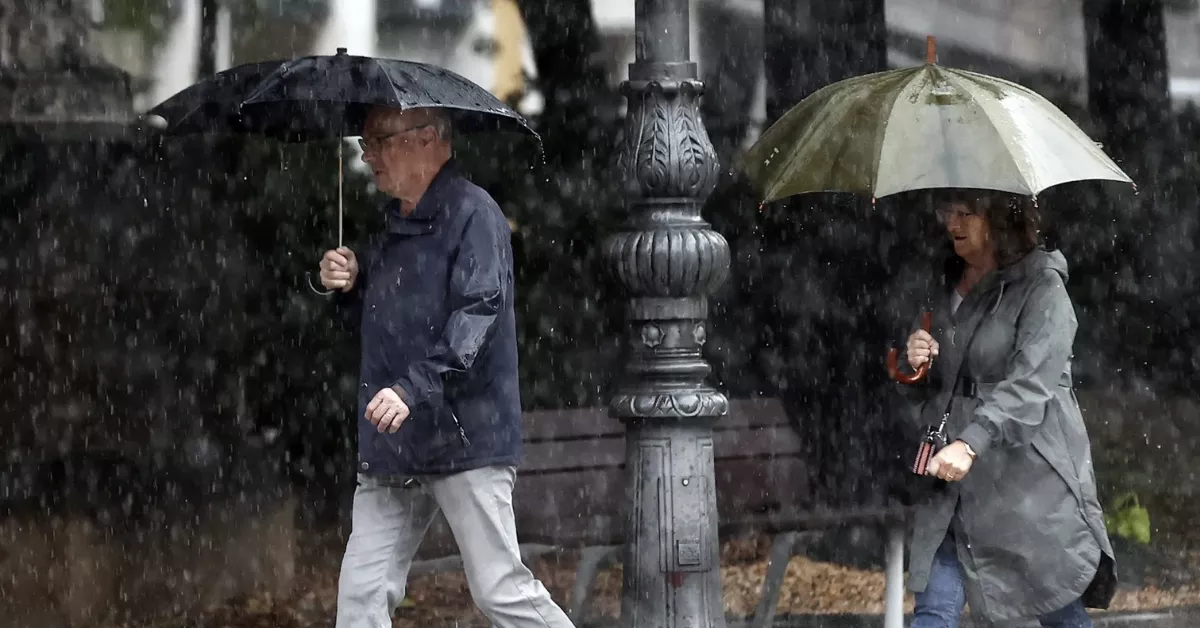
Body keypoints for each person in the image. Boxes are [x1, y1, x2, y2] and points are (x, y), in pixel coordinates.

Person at [318, 105, 575, 628]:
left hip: (464, 437)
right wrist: (347, 284)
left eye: (378, 139)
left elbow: (475, 322)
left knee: (499, 588)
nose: (368, 155)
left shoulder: (475, 214)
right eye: (364, 143)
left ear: (429, 139)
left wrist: (411, 390)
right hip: (396, 441)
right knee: (361, 595)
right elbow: (395, 317)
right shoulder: (394, 224)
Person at [897, 191, 1117, 627]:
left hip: (1024, 479)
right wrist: (914, 361)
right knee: (934, 607)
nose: (952, 223)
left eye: (967, 213)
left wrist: (972, 442)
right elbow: (936, 379)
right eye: (948, 212)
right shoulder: (943, 281)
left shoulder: (1043, 288)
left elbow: (1030, 386)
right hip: (950, 477)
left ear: (999, 218)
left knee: (1054, 600)